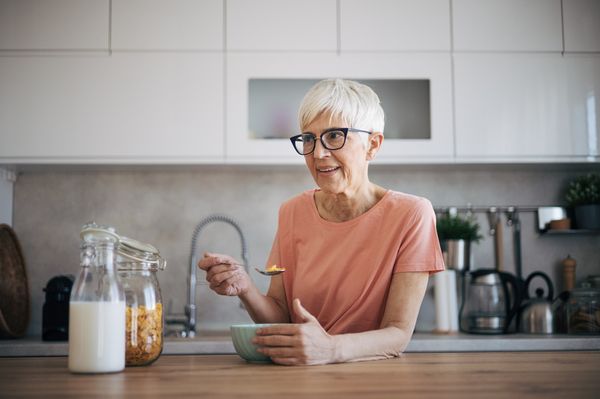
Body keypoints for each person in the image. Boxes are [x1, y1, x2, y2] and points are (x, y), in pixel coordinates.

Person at [198, 79, 445, 365]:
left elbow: (398, 334)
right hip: (300, 381)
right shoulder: (292, 212)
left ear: (372, 145)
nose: (318, 153)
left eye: (334, 136)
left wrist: (330, 349)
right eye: (309, 138)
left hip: (374, 381)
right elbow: (281, 316)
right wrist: (246, 288)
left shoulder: (412, 214)